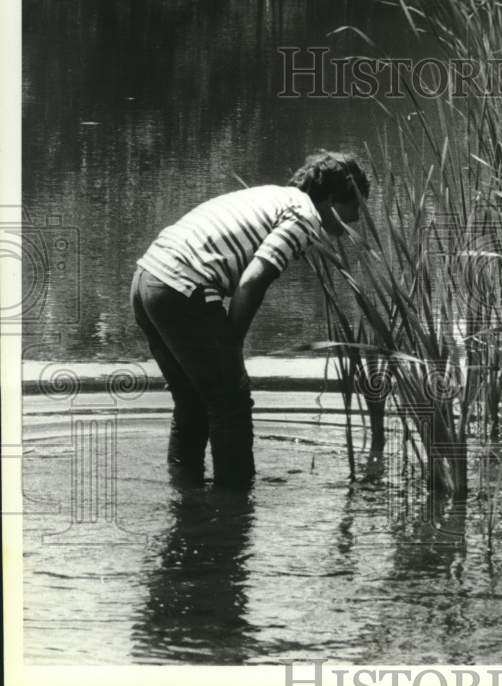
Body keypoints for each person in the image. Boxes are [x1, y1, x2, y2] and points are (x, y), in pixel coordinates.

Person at [131, 150, 369, 489]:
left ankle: (187, 500)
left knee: (193, 402)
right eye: (355, 207)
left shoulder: (275, 196)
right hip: (181, 286)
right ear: (331, 199)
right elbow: (253, 279)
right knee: (231, 404)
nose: (357, 219)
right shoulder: (305, 217)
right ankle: (234, 506)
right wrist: (232, 342)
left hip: (147, 279)